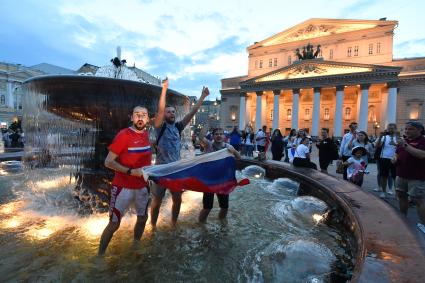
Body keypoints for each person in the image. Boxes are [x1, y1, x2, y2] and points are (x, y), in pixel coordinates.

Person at [150, 82, 210, 228]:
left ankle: (173, 223)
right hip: (161, 170)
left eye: (173, 112)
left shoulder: (178, 127)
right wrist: (164, 89)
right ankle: (152, 226)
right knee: (157, 201)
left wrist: (203, 96)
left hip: (176, 169)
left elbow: (192, 112)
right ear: (164, 115)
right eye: (169, 112)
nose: (172, 113)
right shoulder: (160, 127)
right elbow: (160, 109)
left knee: (177, 199)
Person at [98, 105, 153, 256]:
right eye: (137, 114)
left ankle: (136, 245)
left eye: (143, 115)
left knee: (142, 218)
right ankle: (100, 255)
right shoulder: (124, 135)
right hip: (123, 188)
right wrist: (130, 171)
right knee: (114, 223)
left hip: (143, 187)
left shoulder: (147, 135)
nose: (140, 117)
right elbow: (108, 162)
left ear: (148, 119)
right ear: (131, 117)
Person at [198, 127, 241, 223]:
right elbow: (200, 136)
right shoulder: (209, 145)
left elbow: (239, 157)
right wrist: (206, 125)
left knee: (224, 207)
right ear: (213, 136)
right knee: (207, 207)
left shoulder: (228, 147)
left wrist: (233, 151)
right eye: (216, 134)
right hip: (209, 181)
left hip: (222, 181)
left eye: (221, 134)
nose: (219, 135)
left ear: (224, 136)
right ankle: (201, 224)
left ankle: (222, 223)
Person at [392, 121, 425, 233]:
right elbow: (397, 153)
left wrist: (405, 145)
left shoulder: (422, 141)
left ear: (419, 130)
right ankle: (403, 219)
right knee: (401, 196)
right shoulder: (404, 141)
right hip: (401, 174)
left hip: (417, 176)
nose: (406, 131)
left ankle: (423, 224)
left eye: (410, 129)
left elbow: (421, 154)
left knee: (418, 200)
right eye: (405, 129)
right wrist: (394, 158)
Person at [375, 123, 398, 198]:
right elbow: (377, 146)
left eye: (392, 128)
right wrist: (380, 136)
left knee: (395, 177)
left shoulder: (398, 137)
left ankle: (397, 194)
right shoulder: (384, 137)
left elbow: (401, 147)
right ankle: (383, 192)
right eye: (389, 128)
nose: (390, 130)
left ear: (395, 129)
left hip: (395, 159)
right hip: (384, 158)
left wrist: (395, 144)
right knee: (384, 176)